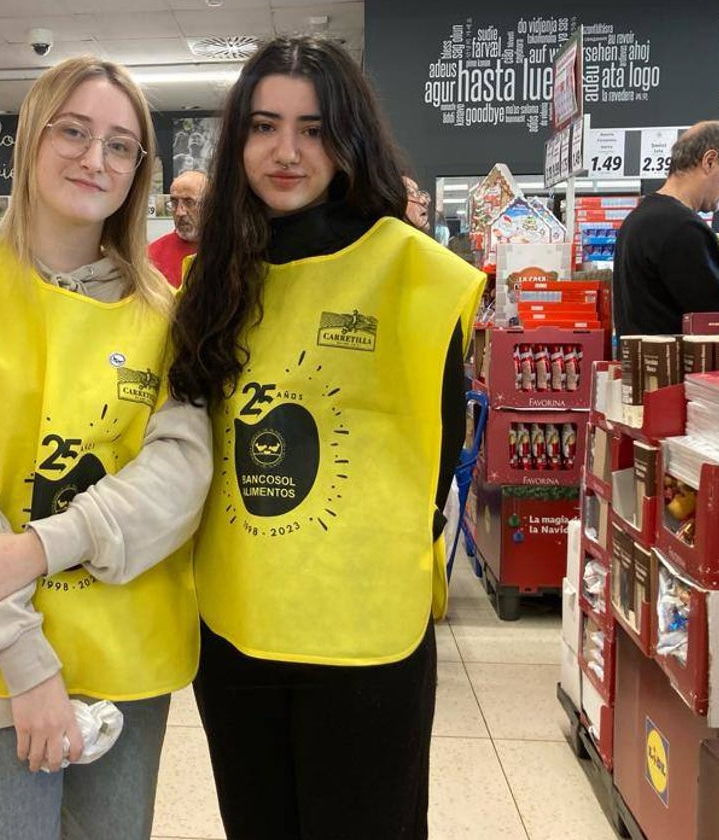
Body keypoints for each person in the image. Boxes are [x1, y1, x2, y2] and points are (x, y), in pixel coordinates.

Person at [0, 57, 210, 840]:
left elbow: (179, 476)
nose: (94, 159)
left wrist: (38, 547)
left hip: (123, 658)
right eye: (73, 131)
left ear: (139, 172)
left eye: (121, 146)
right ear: (32, 138)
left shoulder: (169, 317)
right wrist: (24, 667)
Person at [168, 36, 486, 840]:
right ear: (237, 137)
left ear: (349, 140)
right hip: (235, 625)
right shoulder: (208, 278)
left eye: (313, 129)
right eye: (265, 126)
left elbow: (442, 450)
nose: (286, 151)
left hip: (365, 632)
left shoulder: (413, 269)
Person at [614, 120, 719, 335]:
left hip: (646, 364)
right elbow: (718, 319)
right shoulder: (682, 227)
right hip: (680, 367)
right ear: (710, 161)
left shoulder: (638, 218)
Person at [148, 170, 207, 287]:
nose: (179, 212)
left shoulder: (231, 250)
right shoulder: (151, 256)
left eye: (189, 202)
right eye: (174, 202)